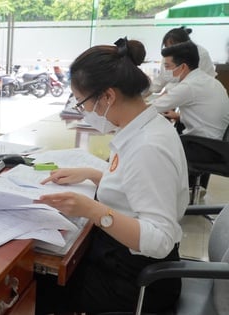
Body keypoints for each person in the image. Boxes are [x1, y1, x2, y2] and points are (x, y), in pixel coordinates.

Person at [35, 38, 189, 314]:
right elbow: (133, 185)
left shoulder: (148, 147)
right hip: (122, 261)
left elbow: (160, 239)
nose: (84, 113)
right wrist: (94, 175)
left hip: (136, 282)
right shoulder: (143, 126)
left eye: (82, 103)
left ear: (107, 96)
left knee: (37, 285)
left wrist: (93, 210)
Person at [151, 41, 229, 191]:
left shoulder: (189, 86)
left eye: (167, 66)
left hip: (204, 147)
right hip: (217, 146)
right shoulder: (209, 81)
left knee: (157, 147)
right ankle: (190, 189)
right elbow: (208, 116)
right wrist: (179, 116)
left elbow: (152, 108)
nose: (165, 71)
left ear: (183, 67)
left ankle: (166, 196)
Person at [150, 26, 216, 94]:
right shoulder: (169, 53)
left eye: (173, 46)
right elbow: (162, 78)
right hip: (178, 94)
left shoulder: (201, 54)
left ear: (184, 44)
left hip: (200, 92)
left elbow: (191, 83)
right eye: (167, 47)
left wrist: (165, 96)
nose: (169, 50)